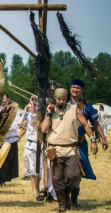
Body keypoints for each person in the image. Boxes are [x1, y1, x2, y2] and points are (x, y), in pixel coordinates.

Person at [41, 88, 97, 212]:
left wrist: (93, 139)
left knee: (74, 175)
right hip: (55, 149)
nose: (61, 101)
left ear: (66, 99)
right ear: (55, 98)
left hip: (71, 148)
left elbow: (86, 125)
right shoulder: (50, 110)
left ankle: (66, 196)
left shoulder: (74, 109)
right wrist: (48, 114)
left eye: (63, 99)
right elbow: (43, 129)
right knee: (56, 178)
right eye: (59, 99)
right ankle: (62, 204)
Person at [68, 79, 108, 208]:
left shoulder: (86, 105)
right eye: (73, 87)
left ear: (82, 90)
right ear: (70, 88)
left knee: (79, 171)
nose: (75, 90)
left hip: (80, 143)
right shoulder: (63, 102)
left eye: (78, 88)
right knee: (63, 171)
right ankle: (62, 198)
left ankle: (73, 200)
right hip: (64, 142)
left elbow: (95, 123)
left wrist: (102, 138)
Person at [0, 93, 20, 186]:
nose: (2, 100)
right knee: (1, 159)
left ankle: (6, 178)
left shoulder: (13, 111)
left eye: (4, 98)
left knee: (10, 160)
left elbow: (16, 124)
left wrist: (4, 127)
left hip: (11, 139)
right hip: (0, 140)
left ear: (8, 99)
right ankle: (0, 179)